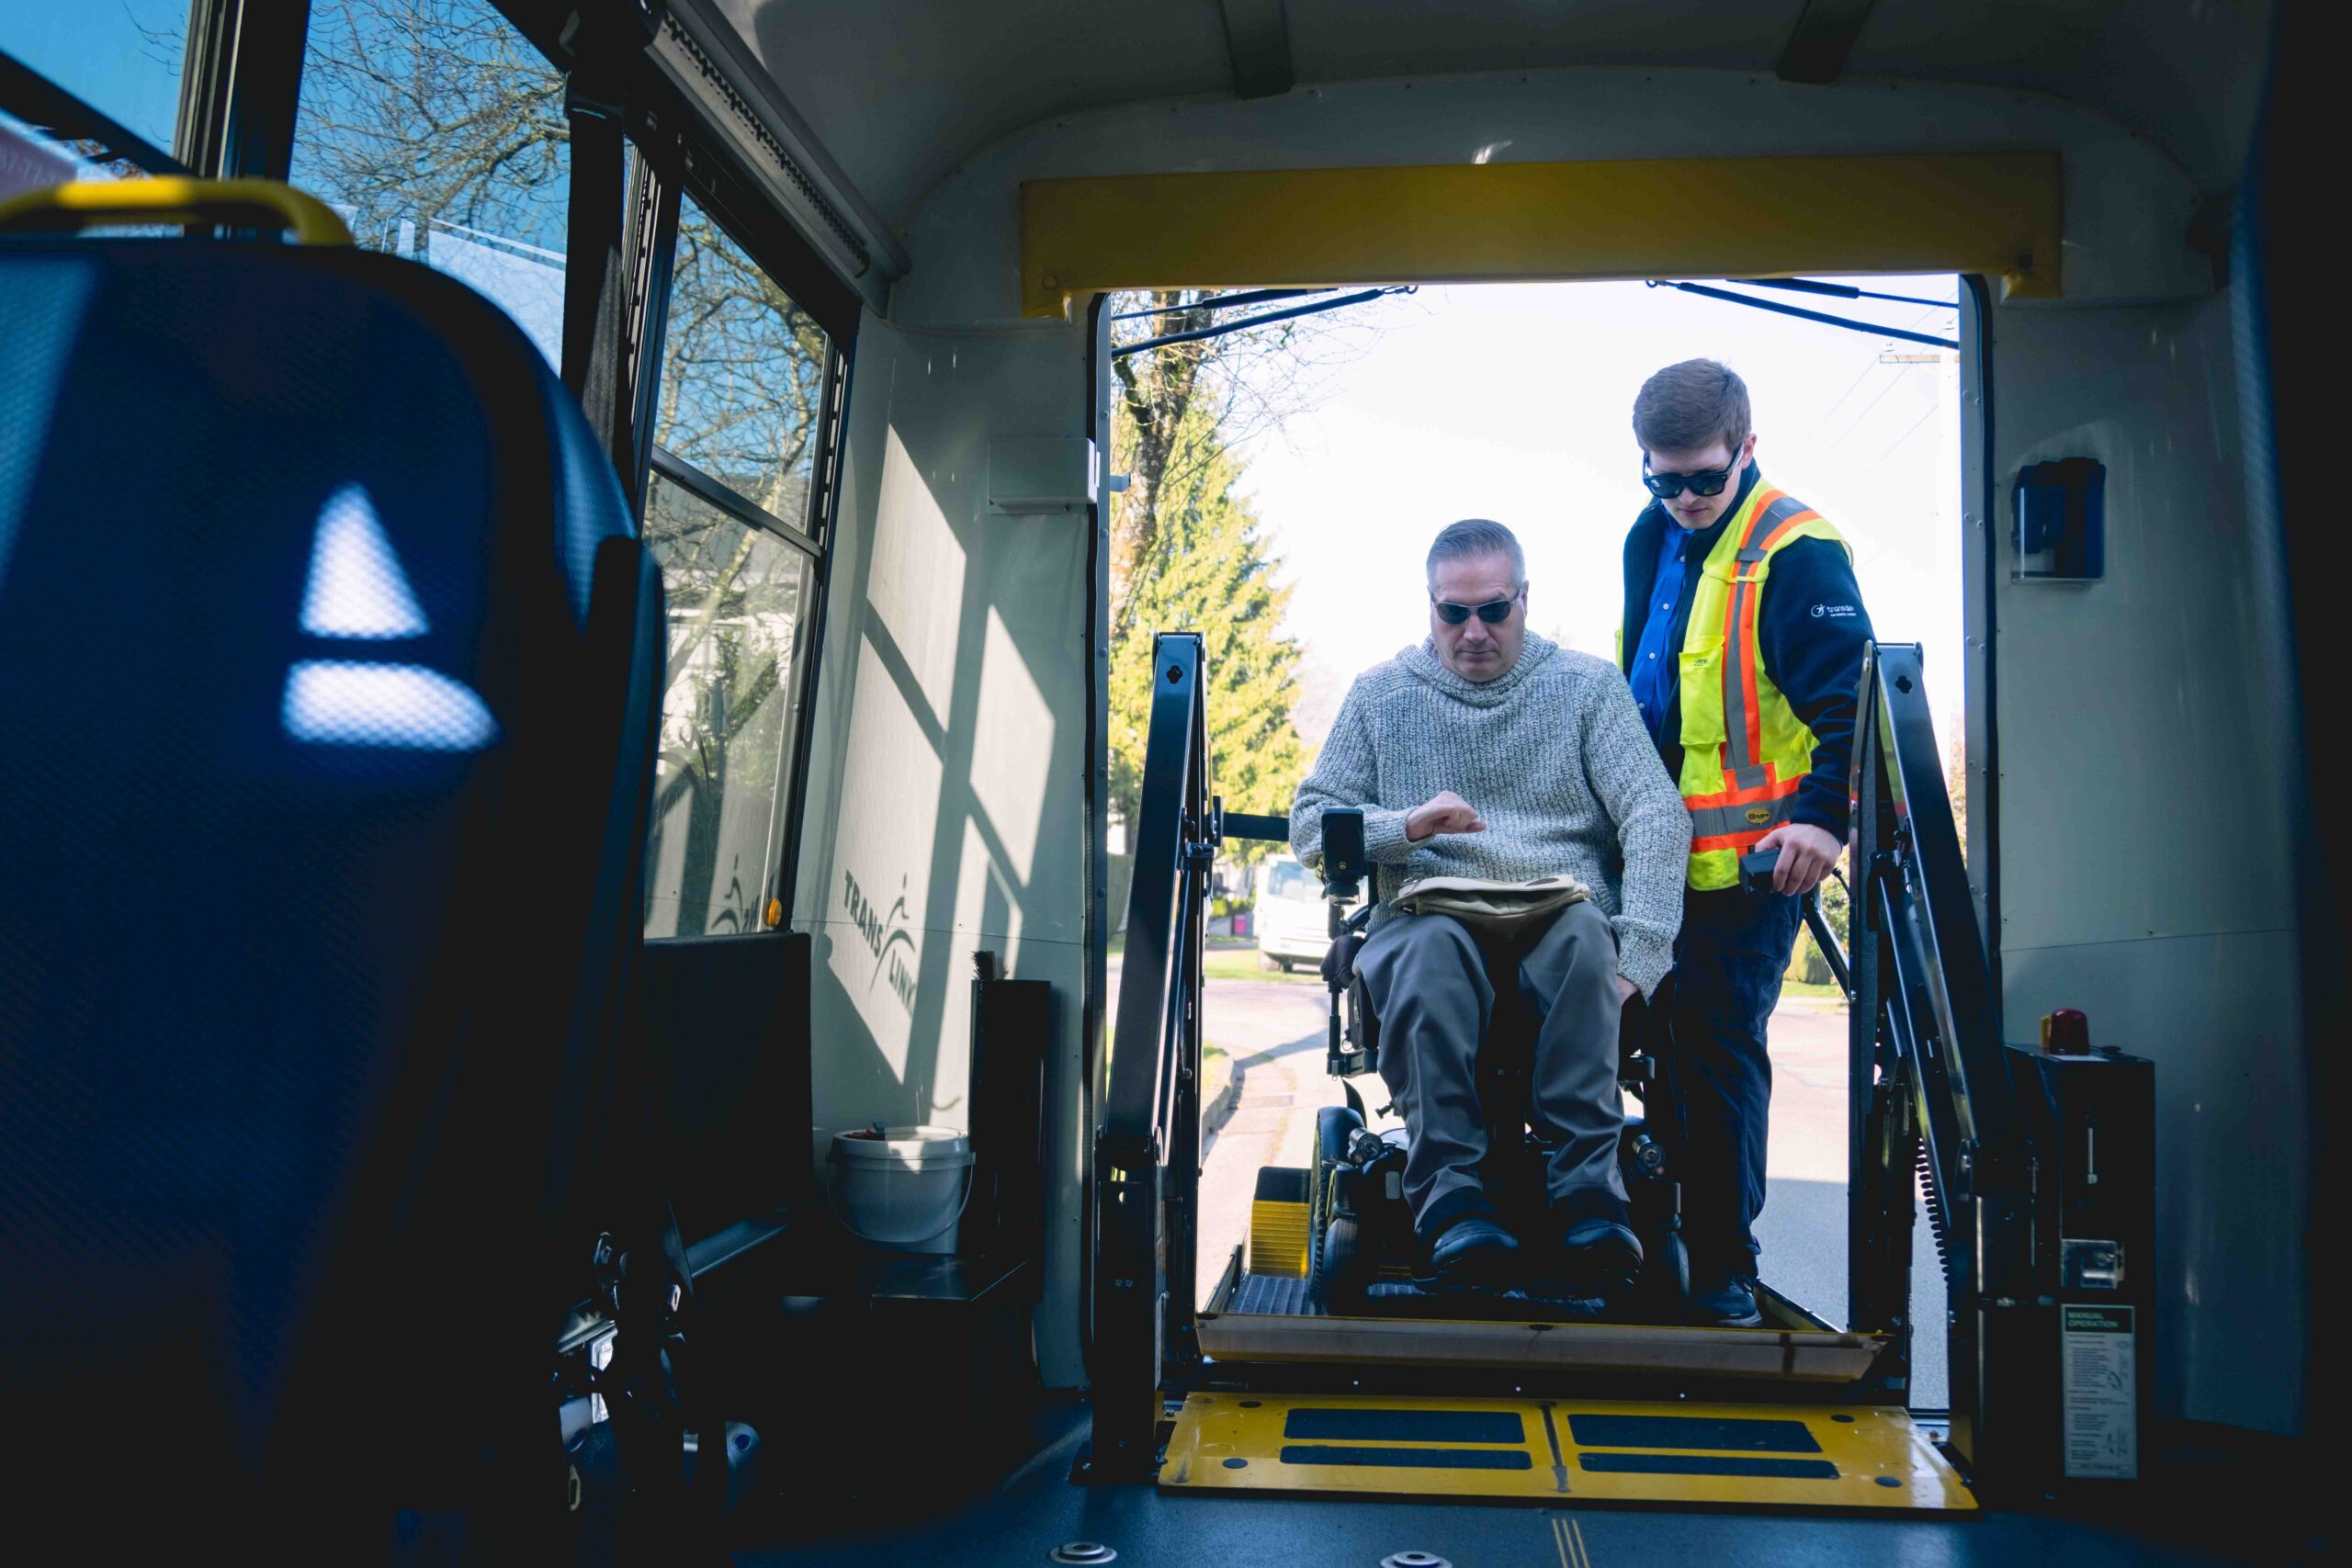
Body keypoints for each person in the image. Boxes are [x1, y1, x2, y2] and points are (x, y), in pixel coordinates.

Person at [1291, 519, 1689, 1290]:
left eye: (1494, 610)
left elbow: (1656, 814)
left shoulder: (1585, 686)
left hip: (1558, 901)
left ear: (1525, 601)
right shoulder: (1382, 694)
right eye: (1454, 612)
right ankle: (1451, 1203)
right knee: (1427, 954)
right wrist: (1406, 826)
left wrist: (1640, 954)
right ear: (1431, 607)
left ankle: (1588, 1200)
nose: (1474, 631)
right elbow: (1313, 823)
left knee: (1582, 941)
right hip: (1428, 905)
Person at [1619, 359, 1875, 1327]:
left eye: (1702, 478)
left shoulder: (1797, 552)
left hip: (1753, 872)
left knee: (1715, 1053)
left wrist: (1821, 815)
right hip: (1652, 861)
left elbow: (1855, 704)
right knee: (1633, 1047)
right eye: (1663, 478)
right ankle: (1645, 1235)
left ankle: (1722, 1264)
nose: (1683, 498)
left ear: (1747, 450)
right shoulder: (1650, 538)